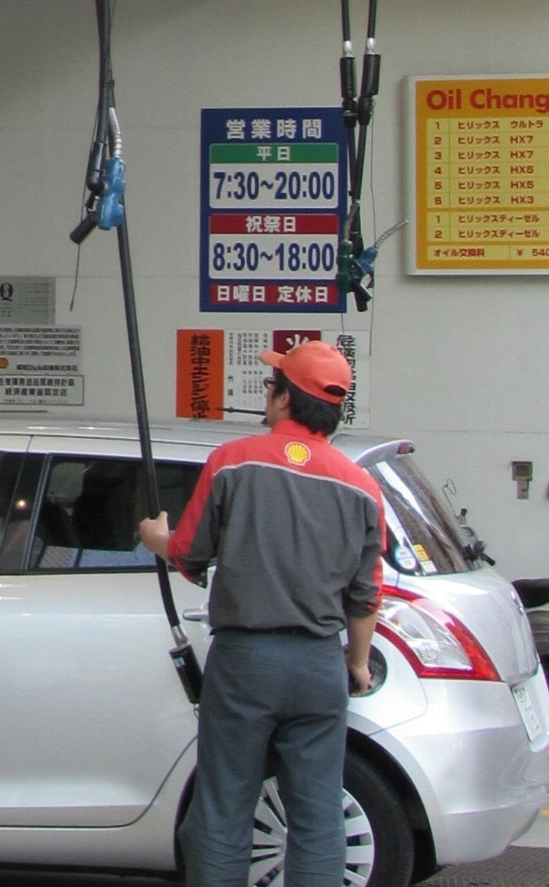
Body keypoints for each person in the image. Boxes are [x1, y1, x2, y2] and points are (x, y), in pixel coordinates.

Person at [138, 340, 384, 887]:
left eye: (272, 386)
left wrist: (157, 537)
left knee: (225, 804)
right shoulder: (363, 487)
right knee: (319, 815)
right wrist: (358, 664)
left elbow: (190, 553)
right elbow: (366, 595)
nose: (266, 394)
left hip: (246, 660)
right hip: (320, 663)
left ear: (284, 400)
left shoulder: (232, 462)